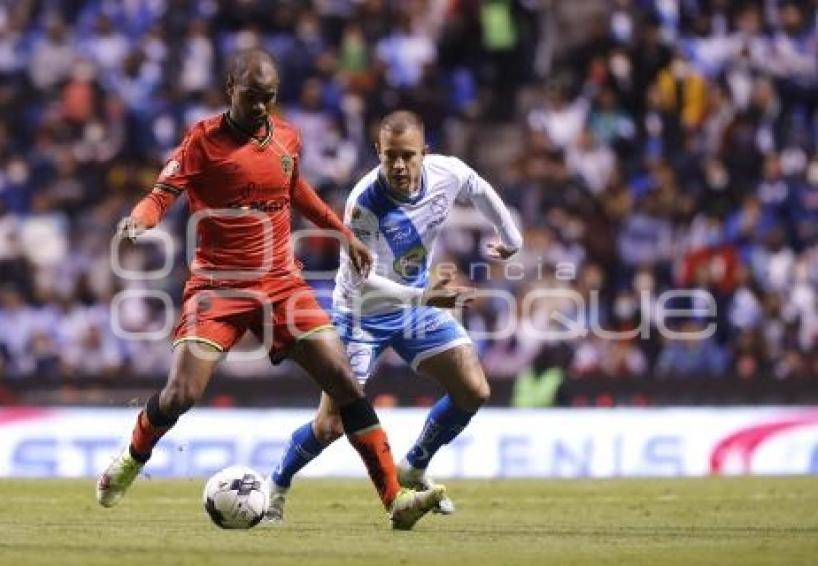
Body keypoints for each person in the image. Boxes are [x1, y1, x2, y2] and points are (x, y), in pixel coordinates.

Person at [96, 50, 444, 530]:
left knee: (343, 381)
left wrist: (343, 234)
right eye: (252, 97)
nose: (261, 107)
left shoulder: (286, 137)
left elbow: (297, 191)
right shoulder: (201, 141)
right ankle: (133, 457)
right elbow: (163, 193)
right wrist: (141, 219)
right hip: (218, 286)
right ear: (229, 89)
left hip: (281, 283)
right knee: (180, 394)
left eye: (269, 98)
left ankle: (395, 499)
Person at [264, 110, 522, 521]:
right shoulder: (365, 204)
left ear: (425, 153)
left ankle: (415, 465)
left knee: (474, 390)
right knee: (329, 426)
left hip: (415, 307)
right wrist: (424, 297)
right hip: (361, 314)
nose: (399, 166)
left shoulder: (447, 173)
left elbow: (479, 188)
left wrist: (511, 238)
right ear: (377, 154)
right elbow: (364, 284)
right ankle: (276, 485)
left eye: (408, 155)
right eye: (390, 157)